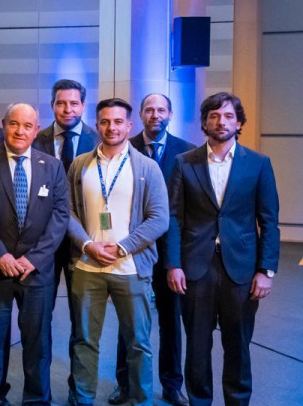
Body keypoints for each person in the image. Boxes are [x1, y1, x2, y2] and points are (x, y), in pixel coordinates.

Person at [166, 92, 279, 406]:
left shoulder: (258, 164)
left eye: (229, 116)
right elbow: (174, 218)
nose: (221, 121)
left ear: (239, 121)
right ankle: (199, 401)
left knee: (238, 346)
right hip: (194, 268)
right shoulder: (183, 163)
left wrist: (266, 270)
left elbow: (269, 221)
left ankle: (238, 401)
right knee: (197, 346)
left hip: (241, 270)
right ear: (204, 122)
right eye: (214, 116)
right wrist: (173, 264)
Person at [63, 98, 169, 406]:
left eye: (118, 122)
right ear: (97, 125)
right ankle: (82, 398)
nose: (112, 127)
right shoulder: (80, 164)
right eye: (105, 122)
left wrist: (123, 246)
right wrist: (88, 245)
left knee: (138, 343)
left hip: (131, 268)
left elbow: (159, 217)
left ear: (129, 125)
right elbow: (67, 211)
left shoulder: (147, 167)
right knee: (84, 340)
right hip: (87, 266)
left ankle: (141, 400)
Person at [0, 103, 70, 406]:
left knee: (37, 341)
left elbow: (60, 216)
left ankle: (36, 399)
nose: (20, 131)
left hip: (37, 270)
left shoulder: (52, 166)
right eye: (14, 124)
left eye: (27, 125)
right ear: (4, 125)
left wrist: (35, 259)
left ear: (35, 128)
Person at [110, 93, 195, 406]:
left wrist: (178, 259)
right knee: (127, 321)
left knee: (171, 323)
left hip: (171, 254)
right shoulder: (123, 147)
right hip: (131, 251)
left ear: (170, 114)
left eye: (161, 109)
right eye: (149, 109)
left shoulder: (186, 153)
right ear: (140, 116)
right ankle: (124, 383)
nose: (155, 114)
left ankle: (172, 385)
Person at [32, 78, 98, 372]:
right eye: (60, 103)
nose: (67, 109)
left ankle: (78, 386)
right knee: (40, 316)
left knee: (82, 319)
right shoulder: (36, 140)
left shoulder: (98, 142)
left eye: (73, 103)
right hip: (43, 241)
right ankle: (40, 389)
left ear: (83, 105)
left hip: (83, 242)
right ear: (52, 106)